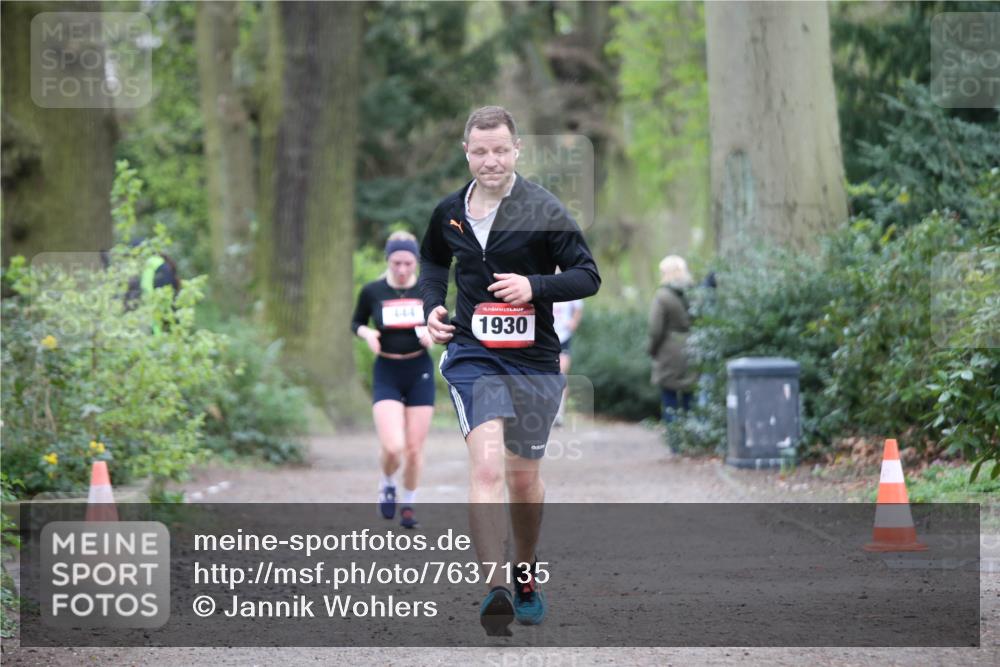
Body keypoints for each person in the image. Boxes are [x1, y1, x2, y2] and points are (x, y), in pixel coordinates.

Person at [419, 106, 600, 635]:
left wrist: (534, 286)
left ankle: (524, 572)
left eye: (500, 150)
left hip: (534, 361)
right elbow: (434, 262)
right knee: (486, 469)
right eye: (480, 151)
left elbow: (588, 275)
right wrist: (432, 305)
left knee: (523, 480)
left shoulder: (543, 208)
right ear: (466, 153)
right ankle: (495, 588)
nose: (491, 160)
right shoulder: (449, 211)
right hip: (474, 356)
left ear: (517, 149)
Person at [351, 231, 435, 529]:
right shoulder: (373, 291)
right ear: (387, 260)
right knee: (393, 446)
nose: (401, 269)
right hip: (387, 370)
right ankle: (387, 482)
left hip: (419, 371)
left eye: (408, 263)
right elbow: (356, 322)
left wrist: (433, 333)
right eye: (396, 262)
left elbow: (443, 324)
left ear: (416, 263)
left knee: (414, 449)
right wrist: (368, 333)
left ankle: (408, 504)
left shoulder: (427, 290)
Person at [647, 255, 697, 431]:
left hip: (669, 352)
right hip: (693, 349)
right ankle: (691, 435)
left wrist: (651, 350)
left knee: (670, 399)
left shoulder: (662, 296)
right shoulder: (694, 293)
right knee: (690, 397)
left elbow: (655, 329)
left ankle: (674, 438)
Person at [551, 296, 584, 426]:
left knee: (561, 373)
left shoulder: (567, 287)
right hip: (546, 336)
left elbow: (578, 308)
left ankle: (559, 414)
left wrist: (573, 322)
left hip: (563, 336)